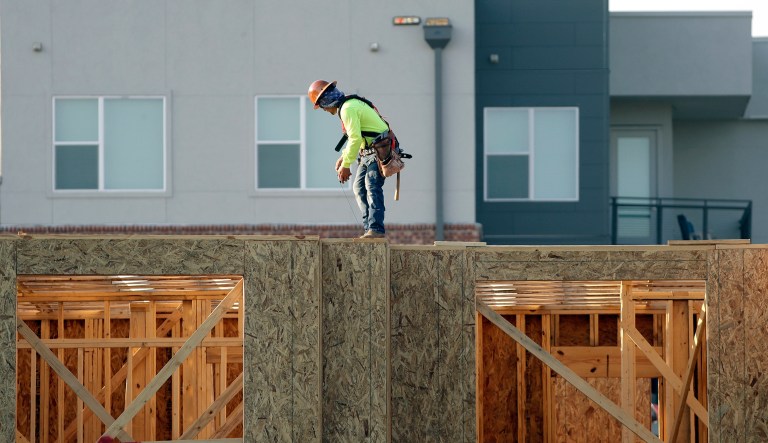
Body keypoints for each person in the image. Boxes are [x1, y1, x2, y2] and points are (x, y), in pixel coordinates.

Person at [308, 79, 389, 238]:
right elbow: (357, 136)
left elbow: (355, 138)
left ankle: (376, 229)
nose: (324, 110)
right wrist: (343, 157)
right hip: (368, 152)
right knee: (359, 188)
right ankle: (369, 229)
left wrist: (346, 165)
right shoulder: (347, 106)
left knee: (371, 186)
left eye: (322, 106)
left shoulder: (348, 109)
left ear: (326, 101)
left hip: (378, 150)